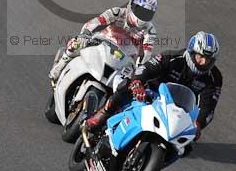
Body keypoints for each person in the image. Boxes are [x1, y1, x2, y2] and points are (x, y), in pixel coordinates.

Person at [85, 31, 222, 146]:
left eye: (208, 59)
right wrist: (137, 83)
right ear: (192, 52)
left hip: (178, 110)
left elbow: (209, 107)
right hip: (151, 94)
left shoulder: (214, 78)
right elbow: (146, 68)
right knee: (127, 85)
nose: (203, 62)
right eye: (200, 57)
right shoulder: (171, 57)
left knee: (188, 146)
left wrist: (198, 123)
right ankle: (103, 113)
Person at [49, 0, 158, 84]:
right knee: (76, 43)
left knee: (129, 84)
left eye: (147, 14)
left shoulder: (150, 30)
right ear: (132, 5)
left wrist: (141, 67)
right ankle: (61, 65)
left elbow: (146, 54)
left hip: (126, 57)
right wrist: (85, 34)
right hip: (102, 42)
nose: (143, 17)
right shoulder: (117, 12)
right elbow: (96, 22)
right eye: (141, 12)